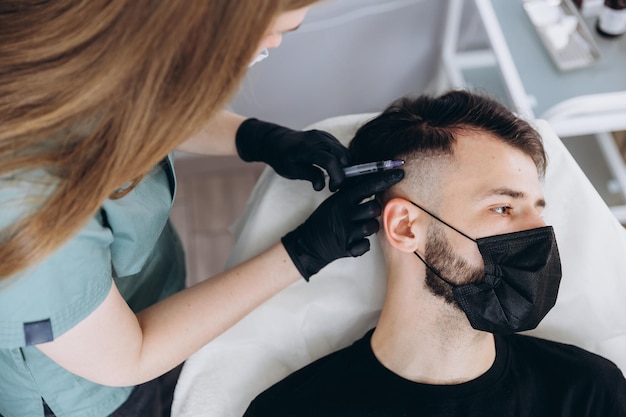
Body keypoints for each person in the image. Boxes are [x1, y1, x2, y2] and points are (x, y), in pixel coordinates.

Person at [0, 2, 404, 416]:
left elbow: (141, 107)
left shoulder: (94, 33)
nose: (275, 43)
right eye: (263, 38)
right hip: (92, 387)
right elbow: (128, 357)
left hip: (146, 294)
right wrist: (300, 253)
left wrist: (254, 137)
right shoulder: (25, 201)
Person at [243, 90, 626, 416]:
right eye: (502, 208)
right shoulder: (290, 410)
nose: (540, 233)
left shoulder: (589, 394)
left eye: (538, 209)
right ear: (405, 227)